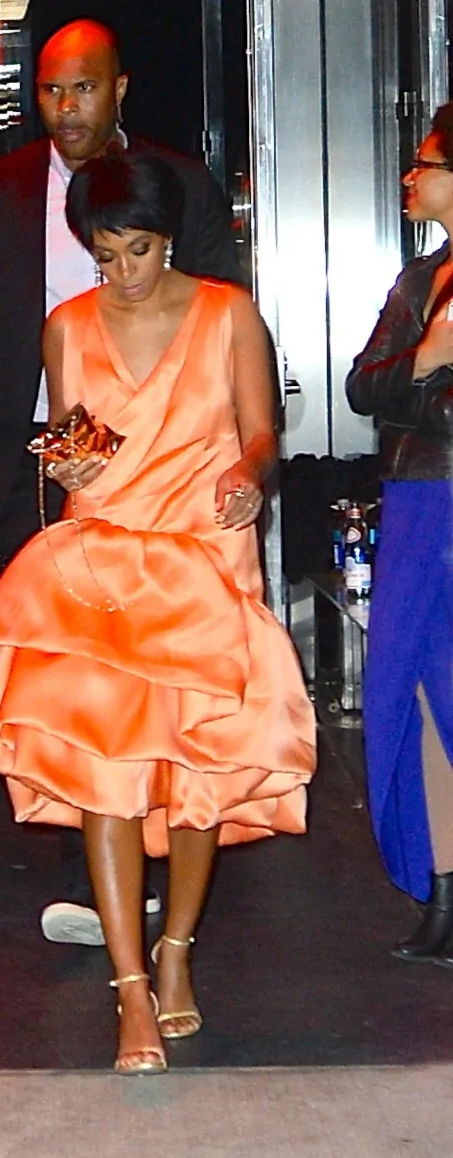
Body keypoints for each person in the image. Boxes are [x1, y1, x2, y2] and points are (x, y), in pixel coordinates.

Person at [0, 149, 316, 1073]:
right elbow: (77, 436)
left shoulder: (228, 313)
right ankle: (131, 988)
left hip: (204, 558)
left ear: (169, 236)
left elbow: (261, 431)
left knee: (197, 776)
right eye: (105, 254)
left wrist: (248, 473)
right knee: (107, 773)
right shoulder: (67, 325)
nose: (123, 271)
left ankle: (177, 949)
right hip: (104, 558)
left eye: (138, 249)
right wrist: (68, 459)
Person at [0, 18, 240, 939]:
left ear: (120, 89)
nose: (65, 108)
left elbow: (225, 316)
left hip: (164, 468)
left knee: (154, 674)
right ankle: (94, 873)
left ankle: (160, 857)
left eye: (83, 88)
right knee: (71, 673)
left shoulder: (179, 183)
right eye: (51, 91)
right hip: (33, 456)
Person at [345, 103, 453, 968]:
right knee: (410, 686)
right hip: (420, 498)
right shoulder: (421, 280)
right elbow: (363, 386)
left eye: (426, 164)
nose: (411, 177)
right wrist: (427, 361)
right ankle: (443, 889)